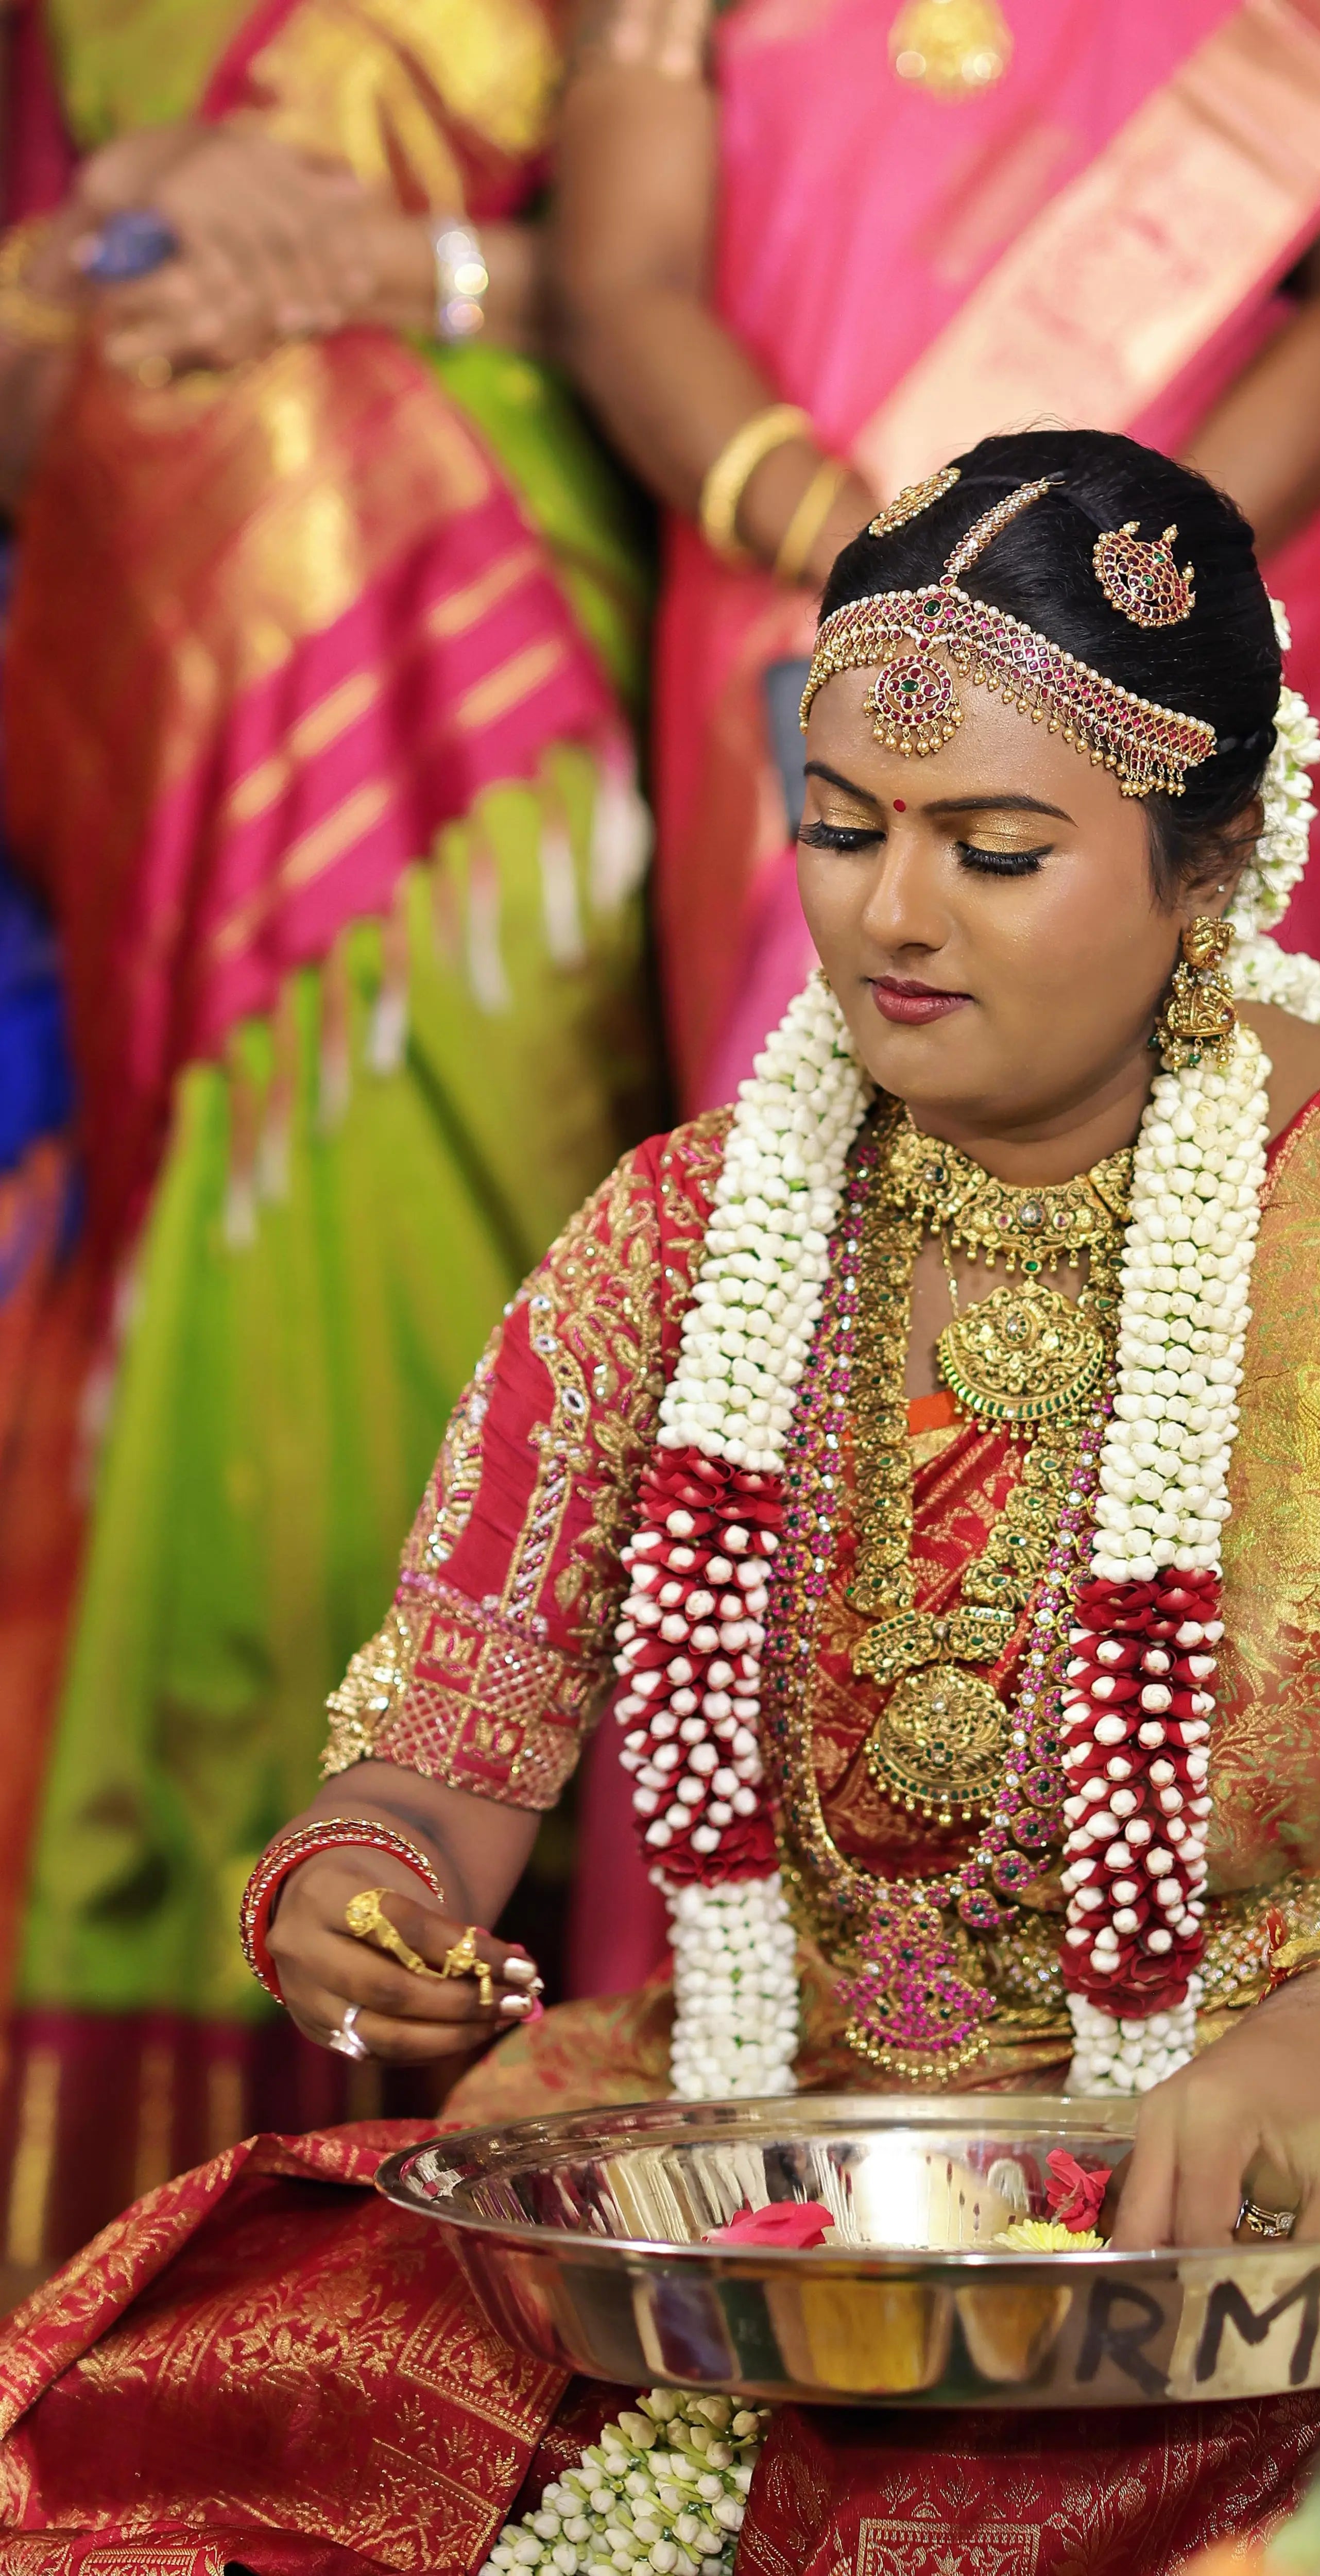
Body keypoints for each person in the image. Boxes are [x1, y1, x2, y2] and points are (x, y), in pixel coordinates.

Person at [4, 431, 1320, 2567]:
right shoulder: (685, 1232)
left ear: (1213, 866)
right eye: (838, 827)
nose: (886, 912)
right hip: (742, 2215)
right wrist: (364, 1881)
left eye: (993, 847)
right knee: (140, 2443)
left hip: (1280, 2261)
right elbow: (443, 1747)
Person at [0, 0, 656, 2265]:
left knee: (477, 1351)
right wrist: (95, 244)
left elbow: (763, 309)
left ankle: (459, 2134)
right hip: (155, 678)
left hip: (482, 717)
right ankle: (159, 2226)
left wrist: (407, 278)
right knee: (183, 1380)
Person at [553, 0, 1320, 1121]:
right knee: (819, 1171)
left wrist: (1117, 583)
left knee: (1208, 1161)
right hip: (810, 598)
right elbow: (621, 290)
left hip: (1191, 590)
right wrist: (891, 565)